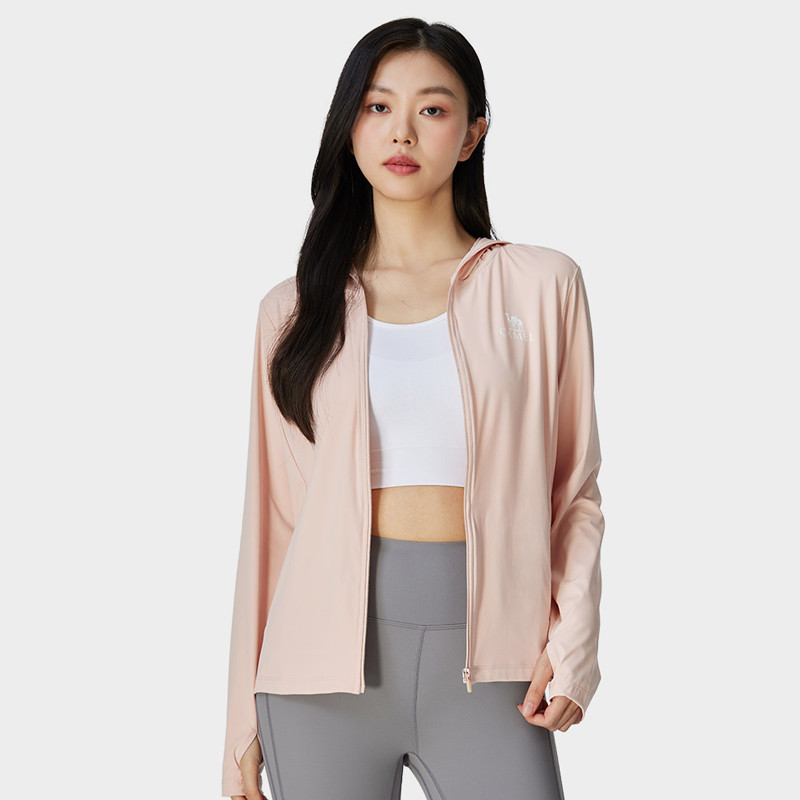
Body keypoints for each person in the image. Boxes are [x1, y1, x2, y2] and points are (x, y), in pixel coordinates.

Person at [221, 17, 605, 800]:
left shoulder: (542, 285)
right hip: (316, 679)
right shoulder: (293, 312)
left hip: (494, 671)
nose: (402, 131)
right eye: (376, 106)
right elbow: (273, 523)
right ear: (349, 128)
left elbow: (575, 491)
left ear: (472, 135)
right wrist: (239, 722)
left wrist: (573, 649)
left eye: (432, 109)